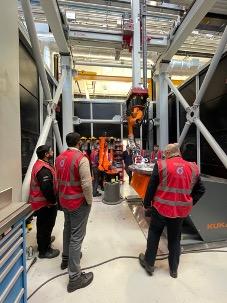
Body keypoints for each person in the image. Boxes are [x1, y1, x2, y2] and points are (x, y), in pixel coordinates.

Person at [139, 143, 205, 278]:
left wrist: (146, 203)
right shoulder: (193, 168)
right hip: (180, 211)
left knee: (154, 233)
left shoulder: (161, 165)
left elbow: (151, 186)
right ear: (179, 152)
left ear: (168, 153)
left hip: (160, 208)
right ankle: (173, 270)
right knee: (175, 239)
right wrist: (189, 202)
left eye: (165, 153)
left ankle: (149, 263)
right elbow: (201, 189)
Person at [55, 132, 93, 293]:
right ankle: (75, 278)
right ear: (78, 143)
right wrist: (89, 201)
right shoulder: (81, 159)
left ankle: (66, 259)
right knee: (76, 237)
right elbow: (86, 184)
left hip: (64, 201)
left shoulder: (59, 158)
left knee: (67, 229)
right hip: (78, 202)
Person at [29, 145, 59, 259]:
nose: (52, 152)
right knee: (45, 226)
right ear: (46, 154)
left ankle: (44, 241)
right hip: (45, 204)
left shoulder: (43, 165)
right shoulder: (43, 169)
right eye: (50, 151)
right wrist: (53, 201)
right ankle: (44, 250)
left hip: (43, 203)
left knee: (43, 225)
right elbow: (46, 188)